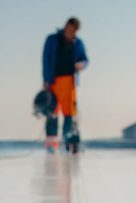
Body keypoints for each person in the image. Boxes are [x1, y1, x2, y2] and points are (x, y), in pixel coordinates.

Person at [42, 17, 88, 152]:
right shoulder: (52, 40)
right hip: (53, 81)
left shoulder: (78, 43)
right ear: (65, 26)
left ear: (76, 32)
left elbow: (85, 60)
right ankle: (51, 145)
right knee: (52, 113)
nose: (70, 32)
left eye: (73, 31)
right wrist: (45, 80)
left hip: (70, 82)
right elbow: (45, 59)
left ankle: (67, 142)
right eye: (69, 29)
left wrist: (82, 65)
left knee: (69, 113)